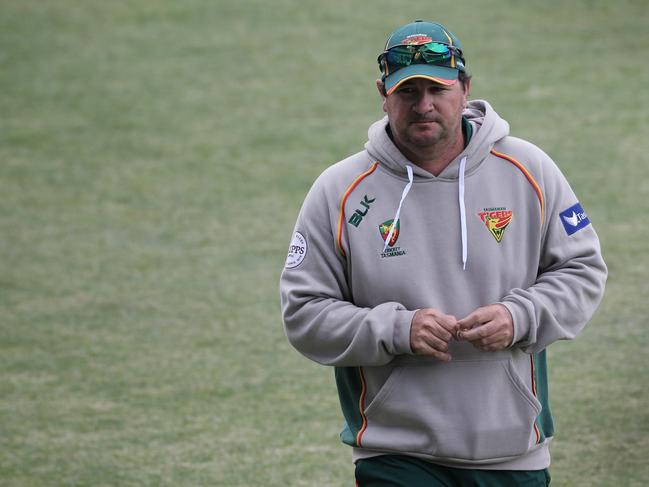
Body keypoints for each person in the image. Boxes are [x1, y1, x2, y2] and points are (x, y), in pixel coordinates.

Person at [280, 19, 607, 486]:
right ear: (383, 93)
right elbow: (304, 314)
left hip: (512, 452)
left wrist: (521, 317)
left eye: (437, 88)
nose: (424, 105)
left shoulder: (529, 169)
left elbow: (583, 270)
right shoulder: (339, 191)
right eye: (408, 91)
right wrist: (397, 328)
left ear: (465, 88)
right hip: (394, 453)